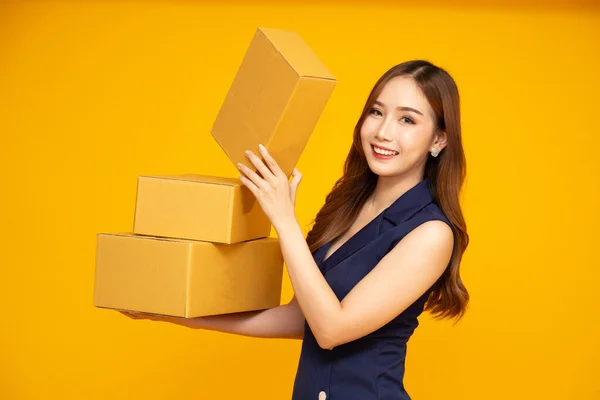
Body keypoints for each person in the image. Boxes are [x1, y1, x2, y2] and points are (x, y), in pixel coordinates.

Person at [121, 59, 470, 400]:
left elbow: (331, 329)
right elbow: (299, 318)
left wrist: (284, 219)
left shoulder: (430, 233)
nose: (383, 131)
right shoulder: (347, 207)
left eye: (407, 119)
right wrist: (181, 314)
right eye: (376, 112)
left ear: (438, 140)